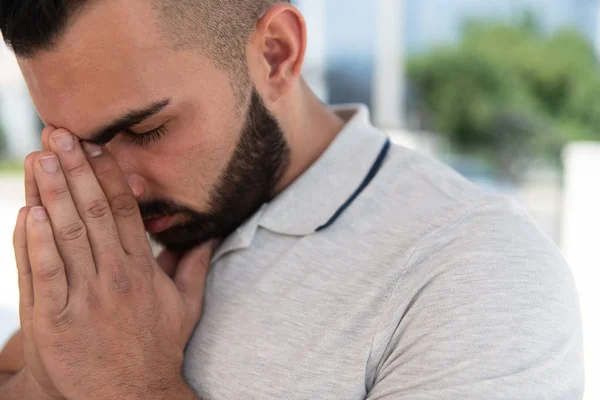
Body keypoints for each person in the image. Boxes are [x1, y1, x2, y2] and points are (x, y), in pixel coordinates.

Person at [0, 0, 584, 399]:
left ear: (276, 54)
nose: (117, 188)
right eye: (78, 142)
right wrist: (48, 384)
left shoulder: (477, 270)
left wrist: (131, 385)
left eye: (148, 130)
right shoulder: (120, 240)